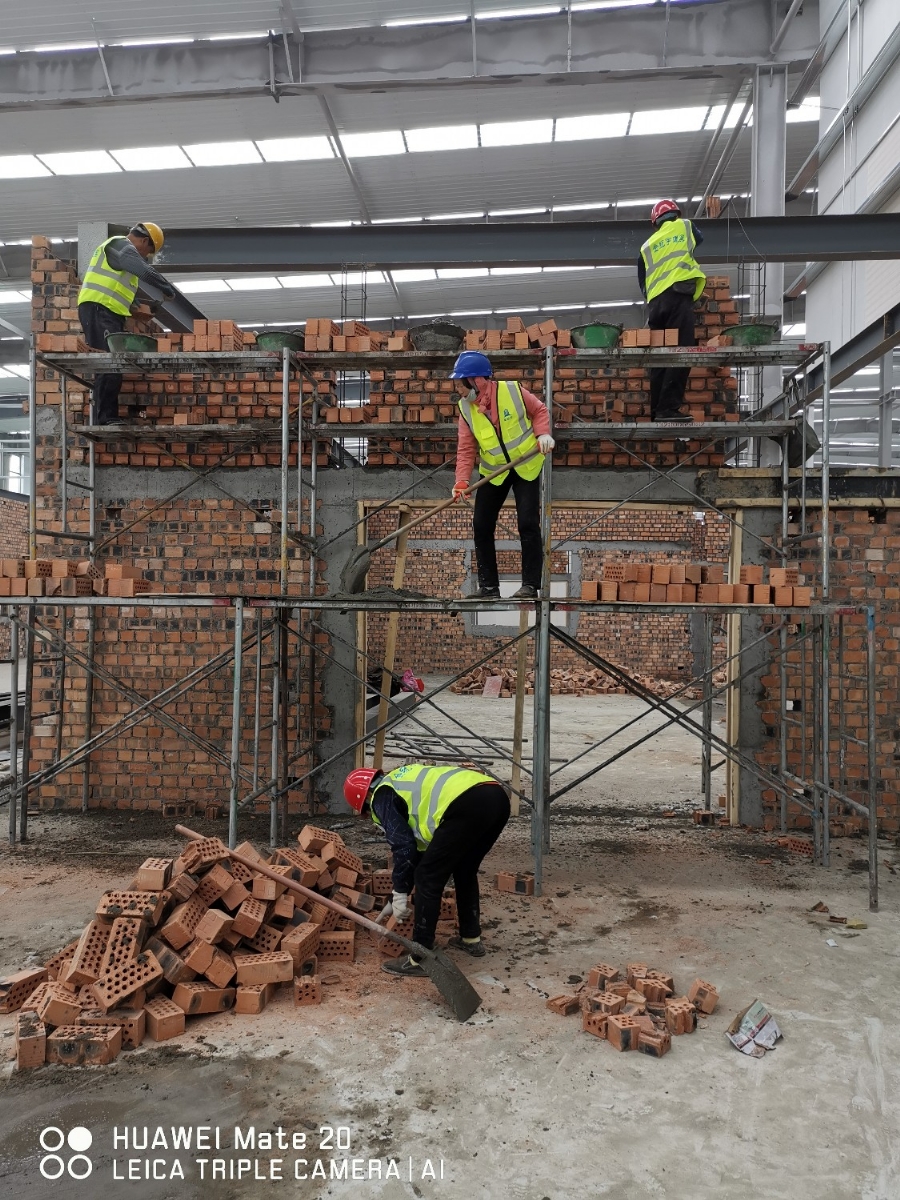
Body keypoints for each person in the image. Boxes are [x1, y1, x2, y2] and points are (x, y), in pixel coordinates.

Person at [343, 763, 511, 977]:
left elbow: (404, 847)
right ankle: (471, 939)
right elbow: (418, 854)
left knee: (427, 877)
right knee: (465, 869)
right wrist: (396, 896)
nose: (371, 814)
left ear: (366, 797)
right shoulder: (400, 783)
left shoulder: (382, 796)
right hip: (496, 797)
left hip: (465, 804)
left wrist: (400, 893)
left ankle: (420, 958)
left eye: (366, 811)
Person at [450, 351, 555, 601]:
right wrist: (462, 481)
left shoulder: (513, 391)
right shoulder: (465, 409)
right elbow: (466, 448)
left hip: (526, 465)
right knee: (481, 524)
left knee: (527, 523)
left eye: (460, 383)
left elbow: (540, 410)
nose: (457, 389)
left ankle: (530, 586)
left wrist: (543, 434)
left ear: (476, 381)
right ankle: (489, 588)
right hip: (494, 471)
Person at [77, 223, 175, 425]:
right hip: (99, 308)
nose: (145, 256)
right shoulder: (120, 246)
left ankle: (106, 417)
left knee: (112, 364)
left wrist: (136, 307)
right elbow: (145, 271)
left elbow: (117, 289)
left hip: (106, 312)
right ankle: (105, 419)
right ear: (145, 241)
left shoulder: (122, 256)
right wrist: (166, 287)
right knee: (109, 364)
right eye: (148, 252)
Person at [637, 199, 707, 423]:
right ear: (676, 214)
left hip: (656, 305)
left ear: (655, 222)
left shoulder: (646, 246)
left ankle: (656, 410)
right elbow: (699, 239)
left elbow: (642, 282)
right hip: (678, 296)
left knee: (659, 357)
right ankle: (667, 409)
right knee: (682, 351)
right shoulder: (685, 226)